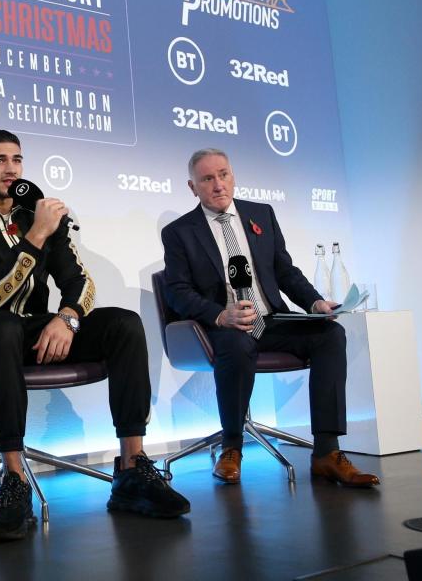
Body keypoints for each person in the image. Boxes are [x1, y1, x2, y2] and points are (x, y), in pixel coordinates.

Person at [0, 129, 190, 541]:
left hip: (35, 329)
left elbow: (80, 283)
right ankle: (13, 477)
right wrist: (35, 236)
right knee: (3, 325)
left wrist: (67, 317)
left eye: (16, 159)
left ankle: (131, 467)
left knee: (122, 323)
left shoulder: (38, 211)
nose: (10, 168)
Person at [160, 148, 380, 488]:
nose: (218, 185)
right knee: (235, 342)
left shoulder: (260, 214)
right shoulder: (180, 232)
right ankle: (231, 446)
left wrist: (315, 302)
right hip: (224, 325)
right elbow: (176, 290)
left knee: (330, 335)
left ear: (233, 176)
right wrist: (221, 315)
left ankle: (326, 451)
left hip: (271, 318)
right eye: (207, 178)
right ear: (193, 187)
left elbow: (285, 271)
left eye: (224, 174)